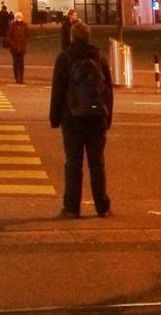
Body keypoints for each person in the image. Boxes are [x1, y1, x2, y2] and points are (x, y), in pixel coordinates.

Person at [49, 19, 113, 219]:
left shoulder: (65, 58)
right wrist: (107, 116)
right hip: (96, 118)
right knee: (97, 162)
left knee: (74, 163)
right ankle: (102, 206)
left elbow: (58, 91)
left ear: (72, 37)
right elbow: (108, 91)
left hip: (72, 118)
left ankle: (72, 207)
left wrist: (55, 118)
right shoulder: (100, 58)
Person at [6, 11, 30, 84]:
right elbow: (8, 36)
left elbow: (28, 36)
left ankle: (21, 78)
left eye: (20, 17)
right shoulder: (12, 26)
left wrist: (24, 43)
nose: (19, 18)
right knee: (15, 64)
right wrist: (13, 44)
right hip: (14, 48)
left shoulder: (25, 25)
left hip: (22, 48)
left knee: (21, 64)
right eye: (17, 17)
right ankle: (16, 78)